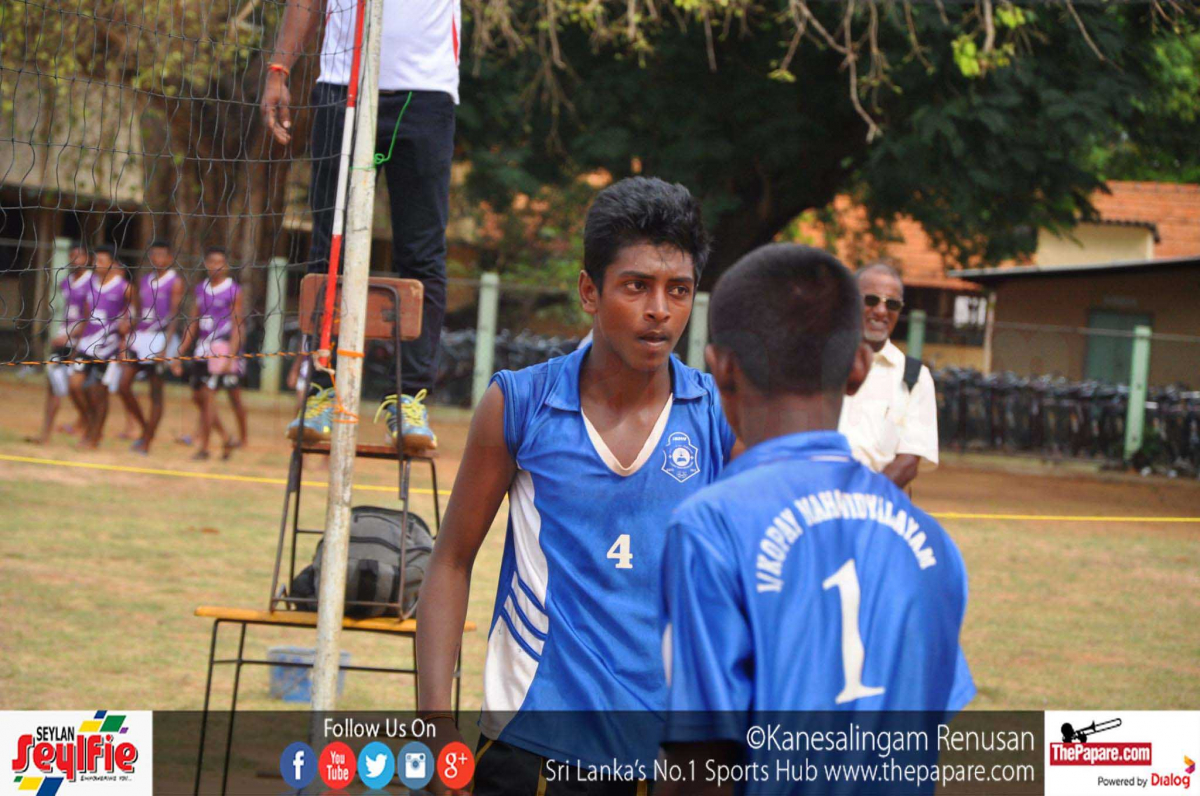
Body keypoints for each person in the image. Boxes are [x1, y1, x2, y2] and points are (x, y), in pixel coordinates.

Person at [416, 177, 736, 792]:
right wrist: (434, 727)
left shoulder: (717, 417)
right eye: (636, 286)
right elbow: (451, 561)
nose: (659, 310)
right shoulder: (520, 404)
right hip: (530, 744)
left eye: (678, 290)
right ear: (590, 291)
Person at [659, 245, 974, 795]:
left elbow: (700, 770)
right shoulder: (933, 545)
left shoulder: (711, 528)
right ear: (858, 367)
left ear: (721, 367)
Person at [261, 0, 459, 450]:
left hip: (424, 94)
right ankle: (321, 387)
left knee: (422, 253)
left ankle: (409, 398)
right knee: (328, 247)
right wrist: (278, 70)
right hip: (341, 88)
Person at [837, 263, 938, 489]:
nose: (881, 311)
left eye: (892, 304)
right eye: (871, 300)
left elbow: (909, 462)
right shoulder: (820, 363)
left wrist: (862, 498)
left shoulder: (914, 377)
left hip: (874, 501)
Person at [172, 247, 248, 460]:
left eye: (220, 262)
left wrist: (231, 354)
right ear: (206, 264)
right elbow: (193, 322)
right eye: (212, 262)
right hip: (202, 350)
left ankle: (204, 447)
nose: (216, 266)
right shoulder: (201, 289)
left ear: (227, 266)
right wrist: (180, 352)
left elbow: (238, 324)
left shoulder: (233, 290)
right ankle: (226, 437)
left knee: (210, 398)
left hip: (221, 349)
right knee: (198, 397)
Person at [122, 240, 185, 453]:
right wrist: (128, 333)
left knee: (156, 392)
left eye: (162, 255)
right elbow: (138, 312)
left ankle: (146, 441)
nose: (157, 259)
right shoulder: (145, 280)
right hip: (141, 337)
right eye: (154, 255)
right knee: (123, 385)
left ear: (169, 258)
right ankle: (145, 429)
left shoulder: (174, 282)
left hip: (160, 338)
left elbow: (175, 316)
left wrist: (166, 347)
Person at [69, 244, 133, 449]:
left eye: (102, 261)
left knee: (98, 392)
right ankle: (89, 422)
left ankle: (94, 436)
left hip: (108, 348)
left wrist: (124, 340)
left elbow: (133, 314)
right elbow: (86, 315)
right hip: (86, 344)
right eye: (96, 260)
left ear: (113, 264)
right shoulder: (90, 284)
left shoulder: (124, 287)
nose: (97, 264)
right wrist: (76, 344)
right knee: (75, 386)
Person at [29, 242, 90, 444]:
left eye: (79, 256)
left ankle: (88, 422)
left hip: (83, 341)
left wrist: (71, 335)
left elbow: (90, 319)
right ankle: (45, 434)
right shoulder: (65, 282)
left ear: (87, 258)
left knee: (76, 387)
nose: (75, 260)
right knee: (53, 384)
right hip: (62, 338)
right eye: (72, 256)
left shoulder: (92, 282)